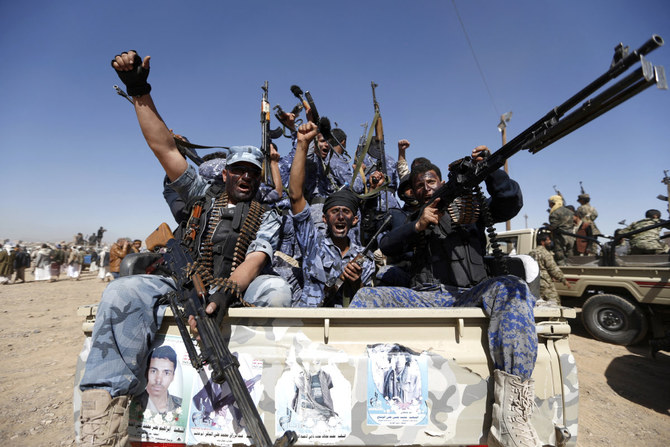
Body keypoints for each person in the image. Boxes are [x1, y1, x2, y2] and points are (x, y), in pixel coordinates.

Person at [78, 50, 292, 446]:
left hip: (236, 289)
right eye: (239, 170)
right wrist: (139, 92)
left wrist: (228, 288)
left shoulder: (266, 212)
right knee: (122, 290)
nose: (246, 177)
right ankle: (102, 420)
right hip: (183, 282)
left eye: (253, 173)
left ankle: (269, 392)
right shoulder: (199, 193)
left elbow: (258, 254)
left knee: (278, 291)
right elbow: (164, 148)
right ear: (226, 173)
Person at [349, 150, 544, 447]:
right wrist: (418, 225)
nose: (426, 187)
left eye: (431, 181)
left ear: (441, 181)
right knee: (367, 297)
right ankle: (356, 388)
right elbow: (387, 244)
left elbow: (509, 201)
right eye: (419, 185)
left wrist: (490, 169)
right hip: (426, 297)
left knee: (512, 287)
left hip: (469, 295)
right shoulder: (408, 216)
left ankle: (512, 415)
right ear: (412, 192)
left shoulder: (471, 207)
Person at [288, 121, 374, 307]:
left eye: (346, 212)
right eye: (335, 211)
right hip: (311, 324)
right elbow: (295, 196)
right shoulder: (312, 245)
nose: (341, 216)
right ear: (324, 219)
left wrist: (356, 282)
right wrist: (303, 145)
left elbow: (367, 300)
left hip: (348, 326)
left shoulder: (365, 257)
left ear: (355, 219)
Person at [135, 346, 182, 415]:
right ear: (146, 373)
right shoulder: (133, 403)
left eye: (166, 373)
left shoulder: (180, 406)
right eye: (153, 371)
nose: (158, 380)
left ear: (173, 376)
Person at [528, 231, 570, 306]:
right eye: (548, 240)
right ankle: (556, 318)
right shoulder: (545, 253)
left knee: (539, 304)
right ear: (542, 242)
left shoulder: (531, 253)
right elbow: (552, 268)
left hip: (534, 282)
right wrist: (563, 279)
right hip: (545, 282)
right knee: (555, 302)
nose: (550, 241)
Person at [547, 195, 574, 265]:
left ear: (553, 203)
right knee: (570, 254)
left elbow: (553, 226)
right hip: (571, 236)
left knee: (559, 255)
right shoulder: (570, 212)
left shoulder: (554, 212)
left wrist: (548, 226)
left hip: (560, 237)